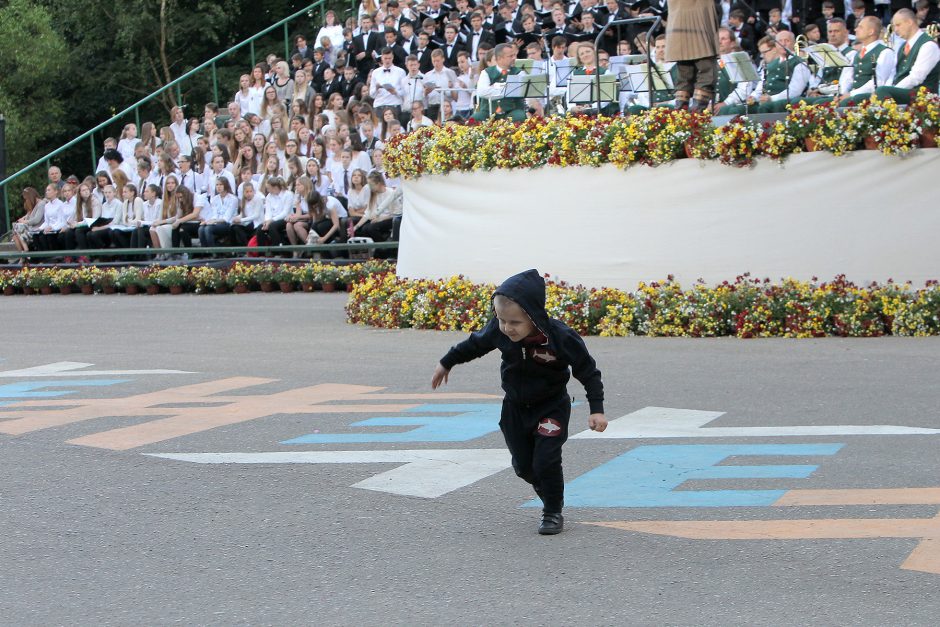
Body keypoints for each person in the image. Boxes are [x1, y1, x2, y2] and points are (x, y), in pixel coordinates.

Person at [430, 269, 607, 535]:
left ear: (533, 316)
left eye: (514, 322)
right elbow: (474, 344)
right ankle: (544, 486)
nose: (506, 328)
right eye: (501, 320)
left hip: (551, 406)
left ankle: (552, 510)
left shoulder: (560, 337)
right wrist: (447, 362)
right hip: (514, 407)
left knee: (546, 460)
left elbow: (588, 371)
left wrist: (597, 410)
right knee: (524, 467)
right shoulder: (500, 331)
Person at [665, 0, 720, 110]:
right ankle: (696, 116)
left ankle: (681, 117)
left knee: (684, 76)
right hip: (699, 20)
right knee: (707, 73)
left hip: (678, 22)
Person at [473, 43, 529, 121]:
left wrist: (495, 87)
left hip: (512, 111)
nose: (514, 58)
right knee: (475, 118)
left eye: (514, 55)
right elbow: (482, 92)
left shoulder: (519, 73)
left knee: (519, 116)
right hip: (488, 111)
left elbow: (517, 91)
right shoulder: (486, 72)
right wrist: (506, 89)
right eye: (510, 56)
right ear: (499, 58)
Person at [11, 187, 45, 255]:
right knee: (15, 235)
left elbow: (36, 220)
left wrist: (24, 222)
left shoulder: (41, 204)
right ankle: (22, 255)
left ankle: (26, 251)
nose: (26, 200)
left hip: (36, 230)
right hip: (29, 230)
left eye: (26, 198)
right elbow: (27, 216)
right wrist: (22, 219)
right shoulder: (32, 205)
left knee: (17, 227)